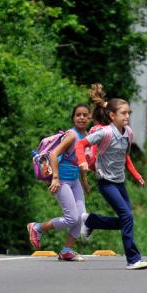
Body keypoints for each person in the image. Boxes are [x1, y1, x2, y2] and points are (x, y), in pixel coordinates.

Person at [75, 93, 147, 270]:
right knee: (127, 217)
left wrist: (136, 175)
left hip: (120, 182)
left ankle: (91, 221)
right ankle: (133, 259)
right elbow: (80, 145)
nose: (127, 116)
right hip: (106, 182)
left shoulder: (128, 133)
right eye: (123, 113)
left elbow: (124, 156)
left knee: (126, 219)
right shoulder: (105, 133)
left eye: (128, 113)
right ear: (112, 116)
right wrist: (82, 161)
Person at [26, 104, 91, 261]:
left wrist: (84, 181)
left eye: (85, 115)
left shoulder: (87, 137)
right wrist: (55, 177)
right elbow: (53, 154)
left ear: (90, 118)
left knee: (81, 217)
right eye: (78, 115)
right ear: (73, 118)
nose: (81, 117)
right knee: (72, 218)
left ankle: (67, 250)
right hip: (62, 180)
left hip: (75, 181)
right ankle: (37, 227)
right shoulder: (72, 135)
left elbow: (81, 160)